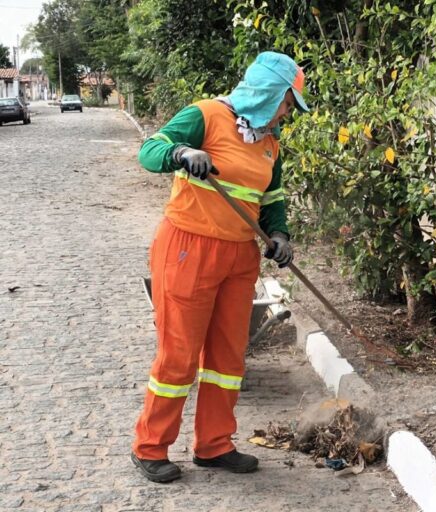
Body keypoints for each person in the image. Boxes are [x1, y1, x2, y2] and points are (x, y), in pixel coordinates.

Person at [130, 51, 309, 483]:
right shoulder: (206, 115)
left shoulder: (269, 143)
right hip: (188, 248)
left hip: (239, 256)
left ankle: (214, 444)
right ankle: (150, 447)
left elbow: (272, 199)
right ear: (268, 93)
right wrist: (182, 152)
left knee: (227, 356)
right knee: (178, 355)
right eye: (287, 103)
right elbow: (149, 150)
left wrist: (279, 235)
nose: (286, 113)